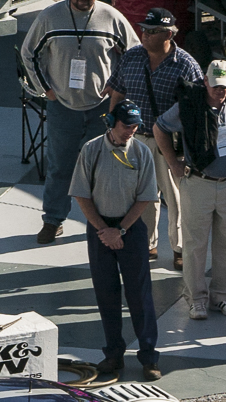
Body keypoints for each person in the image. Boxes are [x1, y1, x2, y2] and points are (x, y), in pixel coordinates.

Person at [154, 59, 226, 320]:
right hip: (198, 183)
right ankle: (196, 299)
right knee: (195, 244)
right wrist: (172, 162)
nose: (219, 91)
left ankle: (223, 297)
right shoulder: (190, 102)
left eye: (224, 86)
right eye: (214, 85)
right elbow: (160, 127)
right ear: (205, 82)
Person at [21, 0, 139, 244]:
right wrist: (45, 90)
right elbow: (29, 53)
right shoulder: (49, 17)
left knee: (104, 167)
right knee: (60, 166)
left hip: (101, 107)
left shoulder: (112, 17)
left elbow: (134, 54)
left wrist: (117, 86)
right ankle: (53, 220)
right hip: (62, 107)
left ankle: (104, 223)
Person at [70, 100, 162, 381]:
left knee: (140, 294)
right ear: (111, 123)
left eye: (135, 126)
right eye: (125, 126)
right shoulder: (92, 150)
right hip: (100, 230)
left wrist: (120, 231)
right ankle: (113, 354)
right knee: (106, 293)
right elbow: (81, 195)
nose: (130, 131)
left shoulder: (142, 152)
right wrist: (103, 231)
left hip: (130, 229)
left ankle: (149, 356)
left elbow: (146, 198)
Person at [106, 7, 202, 269]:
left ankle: (180, 248)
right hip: (134, 140)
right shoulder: (131, 57)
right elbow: (117, 91)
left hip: (168, 144)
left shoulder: (186, 65)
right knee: (142, 197)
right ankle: (147, 244)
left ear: (169, 34)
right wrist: (113, 127)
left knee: (176, 198)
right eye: (144, 29)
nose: (144, 34)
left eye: (151, 31)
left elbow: (196, 109)